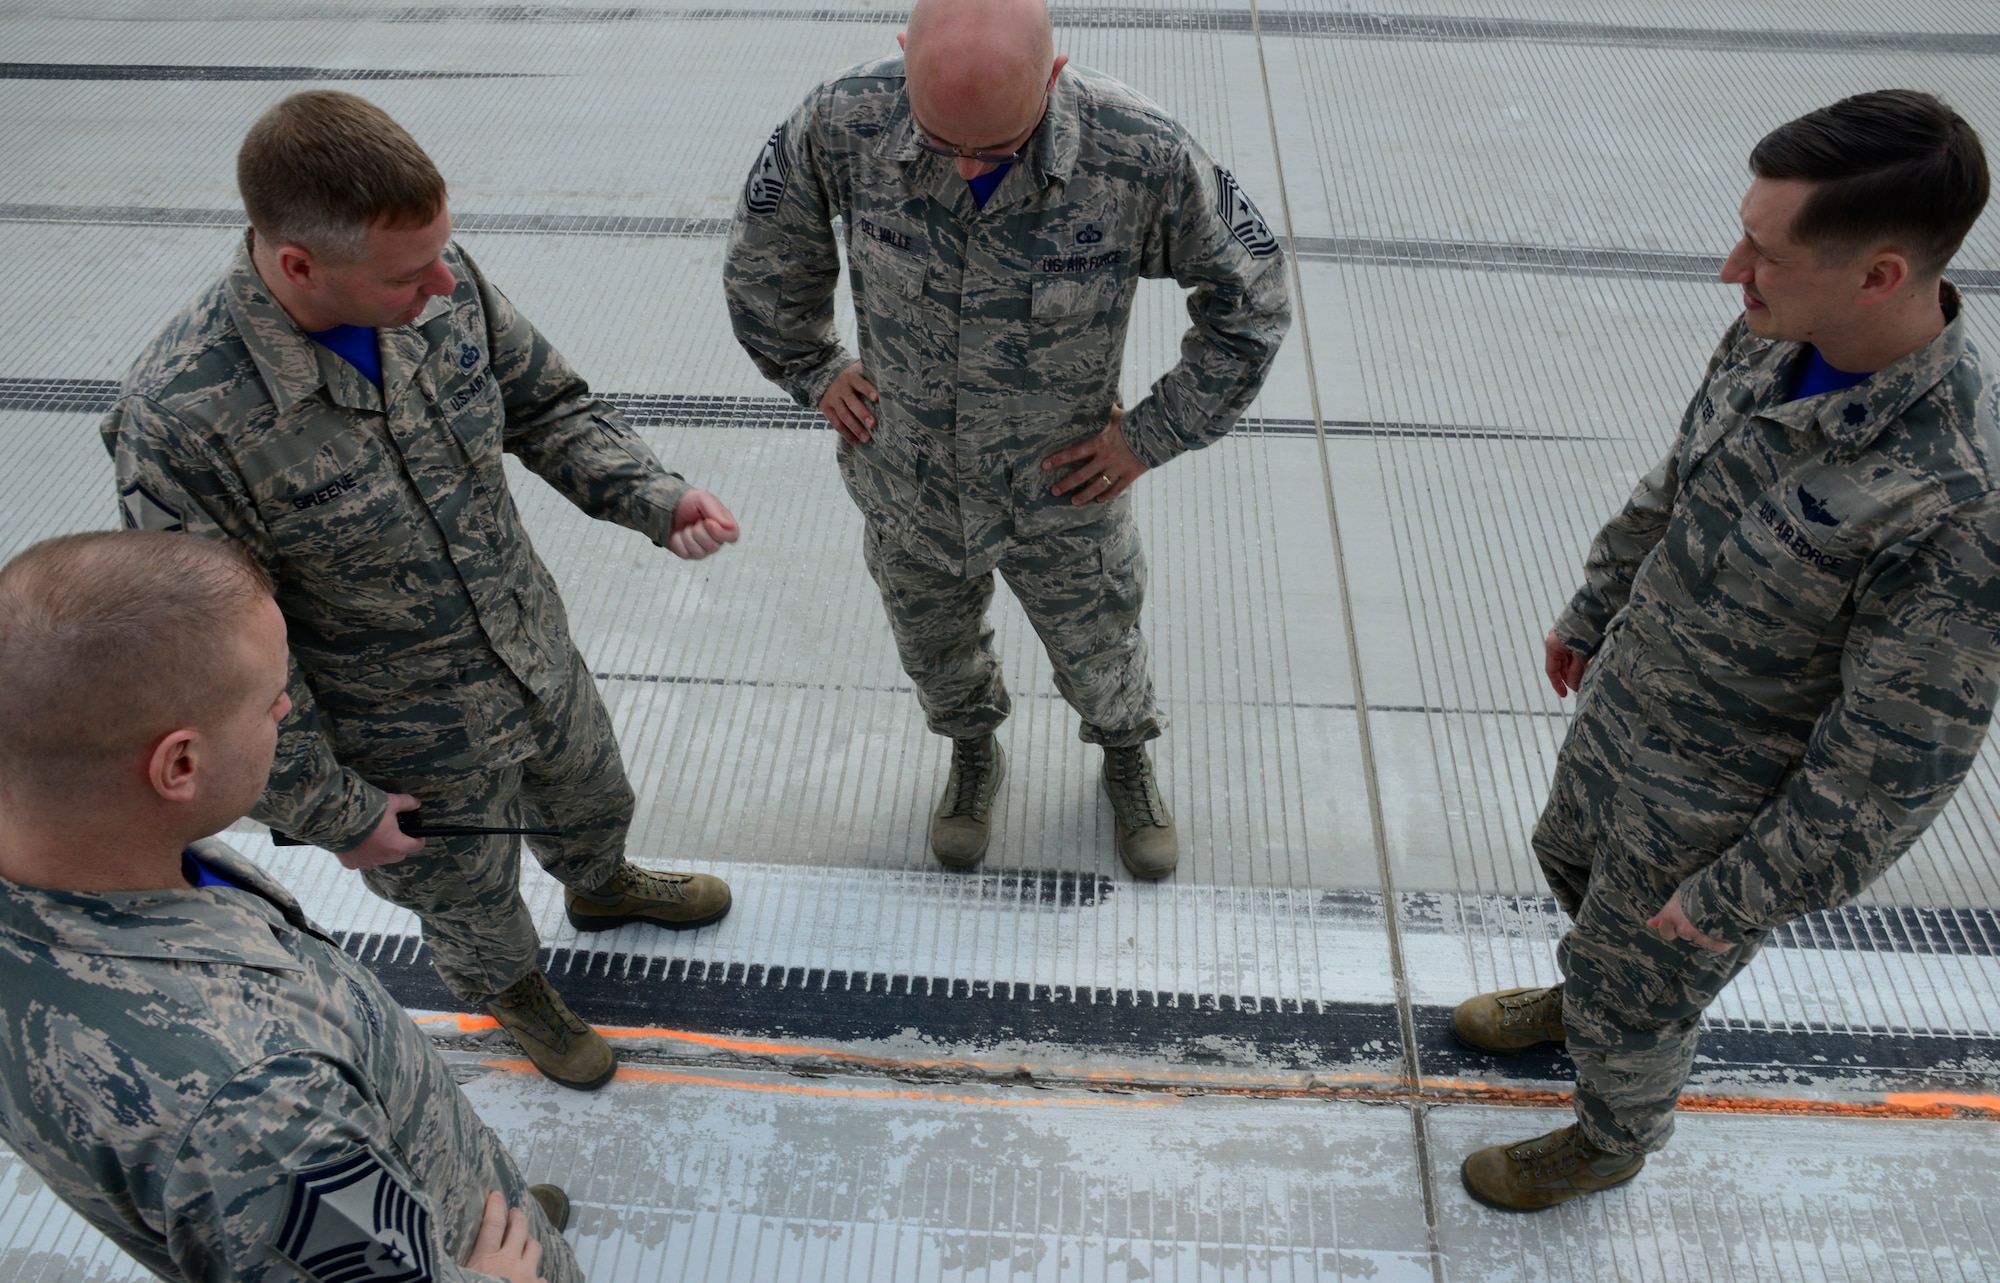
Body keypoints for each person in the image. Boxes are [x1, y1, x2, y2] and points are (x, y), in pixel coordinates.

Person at [102, 90, 740, 1092]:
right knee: (467, 897)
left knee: (594, 793)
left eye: (445, 254)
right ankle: (515, 985)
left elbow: (548, 403)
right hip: (403, 745)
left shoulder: (431, 283)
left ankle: (601, 884)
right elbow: (215, 665)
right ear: (300, 265)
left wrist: (655, 497)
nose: (443, 283)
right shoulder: (183, 420)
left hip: (531, 656)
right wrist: (336, 809)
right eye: (407, 273)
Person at [1452, 91, 1995, 1211]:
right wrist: (1592, 604)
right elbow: (1678, 473)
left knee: (1646, 990)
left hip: (1717, 812)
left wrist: (1735, 895)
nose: (1727, 267)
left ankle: (1611, 1130)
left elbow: (1887, 774)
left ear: (1878, 275)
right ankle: (1589, 985)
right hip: (1632, 704)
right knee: (1567, 861)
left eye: (1765, 249)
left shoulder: (1951, 503)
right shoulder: (1778, 331)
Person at [723, 0, 1289, 879]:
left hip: (1063, 490)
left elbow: (1251, 300)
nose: (962, 167)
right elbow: (765, 255)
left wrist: (1151, 433)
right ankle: (972, 749)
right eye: (942, 141)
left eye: (993, 151)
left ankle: (1126, 754)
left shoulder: (1139, 153)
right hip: (908, 483)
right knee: (935, 651)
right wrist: (813, 368)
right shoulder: (840, 122)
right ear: (902, 54)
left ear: (1055, 78)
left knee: (1101, 647)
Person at [0, 530, 580, 1283]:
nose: (284, 705)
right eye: (269, 699)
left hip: (403, 1192)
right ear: (180, 763)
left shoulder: (83, 850)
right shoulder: (260, 1116)